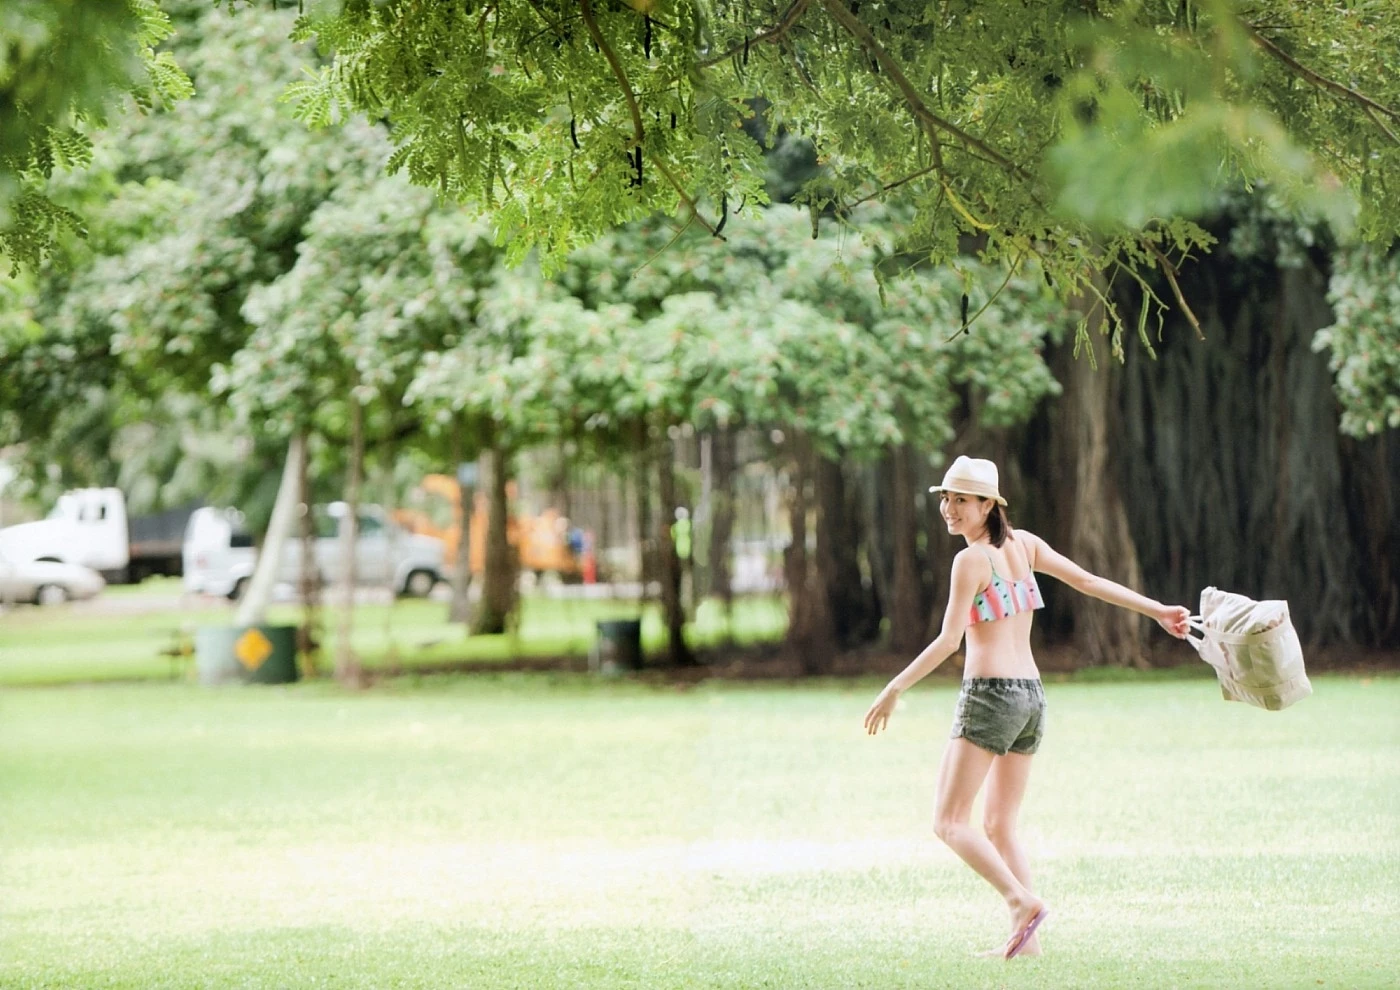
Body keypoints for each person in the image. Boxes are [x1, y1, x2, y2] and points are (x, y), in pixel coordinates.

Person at [863, 456, 1190, 960]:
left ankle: (1021, 901)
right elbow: (1089, 582)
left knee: (949, 822)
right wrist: (1158, 610)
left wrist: (894, 687)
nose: (948, 509)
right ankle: (1028, 945)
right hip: (1032, 699)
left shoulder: (969, 561)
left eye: (961, 500)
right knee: (999, 824)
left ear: (988, 505)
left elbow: (951, 641)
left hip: (991, 697)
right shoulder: (1025, 545)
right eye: (945, 498)